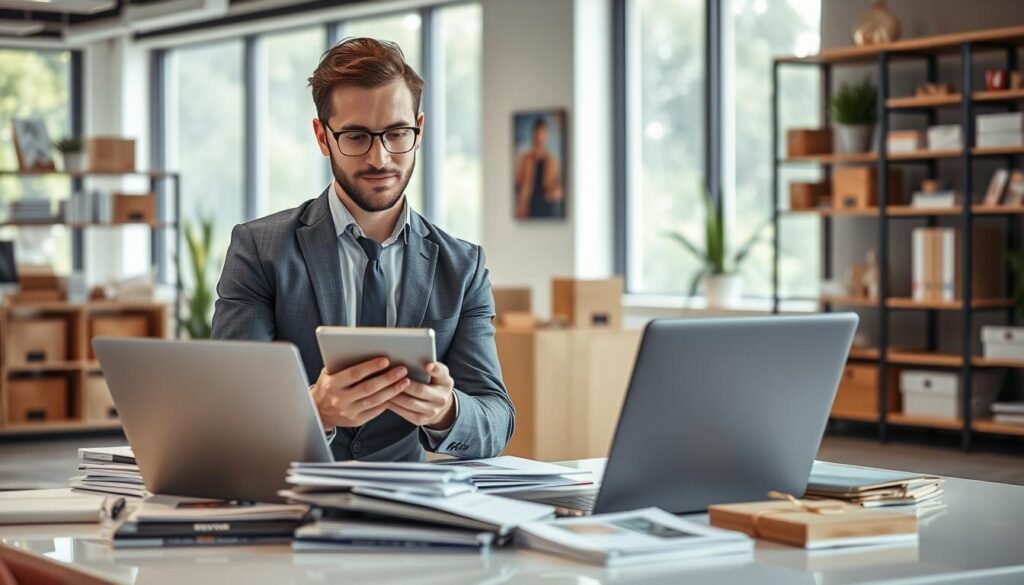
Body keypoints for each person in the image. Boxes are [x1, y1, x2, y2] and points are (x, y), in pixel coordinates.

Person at [211, 38, 515, 462]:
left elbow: (496, 419)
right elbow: (227, 408)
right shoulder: (260, 249)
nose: (380, 158)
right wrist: (313, 411)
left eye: (396, 133)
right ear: (323, 137)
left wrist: (447, 411)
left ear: (419, 130)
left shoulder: (462, 266)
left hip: (407, 510)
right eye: (356, 136)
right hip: (292, 498)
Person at [514, 117, 564, 218]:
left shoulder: (553, 161)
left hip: (547, 207)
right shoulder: (525, 158)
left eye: (542, 133)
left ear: (546, 135)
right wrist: (521, 200)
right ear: (533, 135)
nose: (539, 137)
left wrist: (553, 193)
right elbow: (517, 183)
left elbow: (561, 190)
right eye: (537, 133)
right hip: (529, 207)